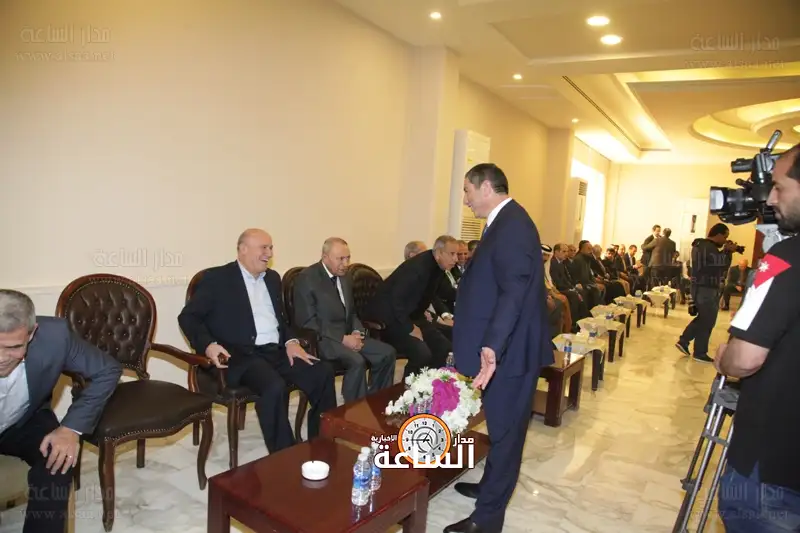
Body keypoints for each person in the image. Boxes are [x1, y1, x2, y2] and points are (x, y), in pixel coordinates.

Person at [445, 163, 553, 533]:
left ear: (486, 188)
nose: (466, 199)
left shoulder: (513, 226)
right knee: (500, 427)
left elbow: (514, 291)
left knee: (507, 435)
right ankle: (489, 487)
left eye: (467, 190)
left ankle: (487, 519)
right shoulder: (504, 222)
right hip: (505, 348)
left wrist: (492, 346)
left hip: (510, 352)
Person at [178, 229, 337, 453]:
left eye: (271, 248)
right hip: (241, 356)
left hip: (276, 351)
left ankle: (321, 443)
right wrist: (208, 345)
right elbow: (188, 317)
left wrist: (291, 341)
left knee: (322, 372)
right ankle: (285, 455)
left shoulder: (272, 278)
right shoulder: (217, 279)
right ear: (243, 249)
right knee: (273, 386)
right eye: (264, 248)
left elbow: (281, 320)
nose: (269, 253)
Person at [714, 143, 800, 531]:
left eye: (779, 187)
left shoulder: (783, 258)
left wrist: (724, 357)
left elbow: (746, 359)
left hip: (770, 466)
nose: (771, 199)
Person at [0, 289, 122, 533]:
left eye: (13, 347)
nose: (1, 357)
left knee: (57, 461)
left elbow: (107, 370)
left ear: (32, 333)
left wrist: (70, 429)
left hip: (23, 420)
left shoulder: (55, 336)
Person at [292, 237, 396, 403]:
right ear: (325, 257)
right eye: (340, 259)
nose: (345, 264)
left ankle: (377, 402)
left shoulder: (345, 277)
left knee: (387, 353)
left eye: (348, 258)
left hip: (348, 334)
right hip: (323, 339)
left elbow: (351, 312)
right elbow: (308, 322)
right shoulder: (307, 279)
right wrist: (342, 339)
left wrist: (357, 332)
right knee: (357, 361)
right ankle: (355, 408)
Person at [364, 236, 456, 379]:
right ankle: (409, 388)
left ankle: (429, 385)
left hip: (412, 316)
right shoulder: (418, 268)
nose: (455, 259)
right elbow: (396, 300)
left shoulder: (438, 267)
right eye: (452, 254)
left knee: (444, 348)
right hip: (391, 319)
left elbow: (443, 293)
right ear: (439, 253)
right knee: (422, 353)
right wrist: (410, 328)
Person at [675, 224, 737, 363]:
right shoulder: (708, 247)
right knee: (708, 320)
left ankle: (684, 341)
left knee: (704, 318)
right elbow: (721, 265)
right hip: (705, 288)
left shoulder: (701, 245)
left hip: (701, 287)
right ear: (718, 235)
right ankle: (699, 352)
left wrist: (725, 252)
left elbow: (712, 264)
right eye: (725, 237)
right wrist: (727, 252)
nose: (725, 240)